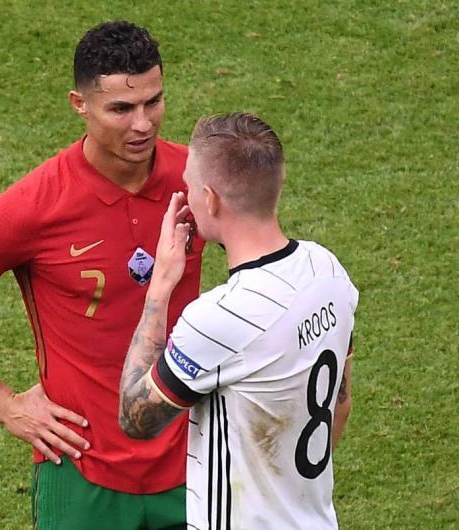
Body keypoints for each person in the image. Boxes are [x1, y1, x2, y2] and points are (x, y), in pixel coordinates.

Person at [0, 21, 203, 530]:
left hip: (192, 459)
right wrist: (4, 404)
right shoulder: (36, 205)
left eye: (153, 102)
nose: (143, 124)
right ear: (80, 105)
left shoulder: (197, 180)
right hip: (82, 469)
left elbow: (257, 265)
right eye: (121, 109)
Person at [119, 113, 358, 530]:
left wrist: (160, 286)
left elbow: (134, 417)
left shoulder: (219, 318)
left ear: (210, 200)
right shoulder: (328, 271)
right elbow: (341, 404)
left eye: (190, 186)